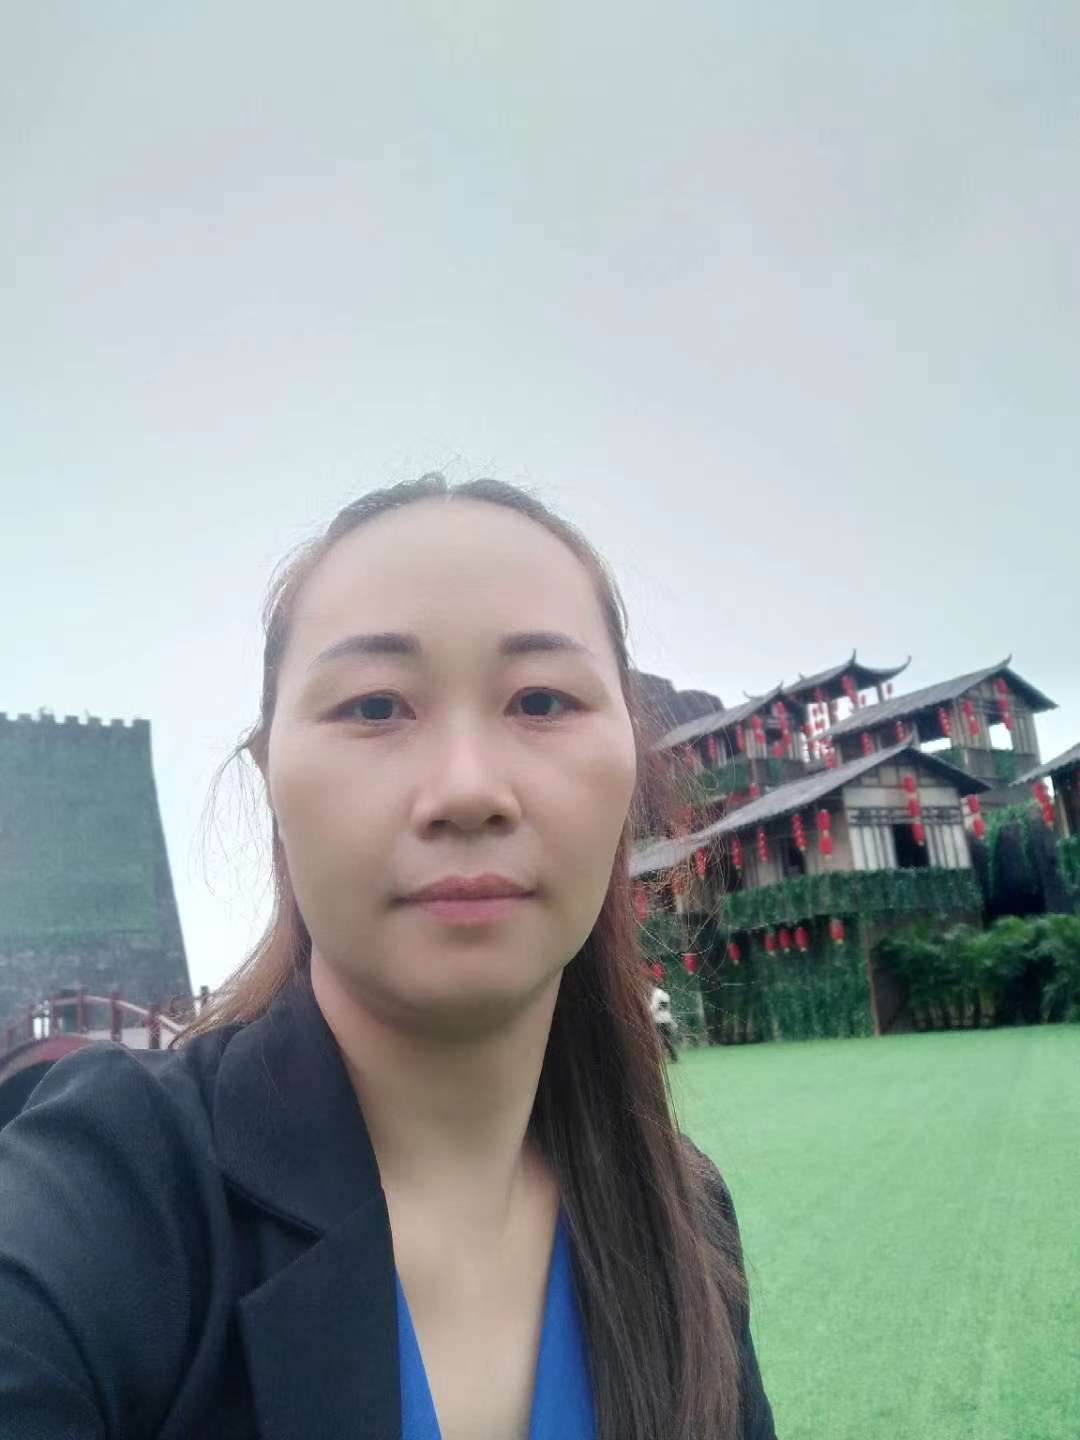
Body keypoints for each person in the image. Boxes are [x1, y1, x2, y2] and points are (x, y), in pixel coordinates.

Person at [0, 474, 777, 1440]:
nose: (467, 790)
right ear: (269, 776)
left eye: (541, 699)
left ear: (631, 763)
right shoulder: (118, 1198)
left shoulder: (683, 1216)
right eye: (374, 707)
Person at [650, 984, 680, 1062]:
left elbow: (654, 1007)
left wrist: (646, 1012)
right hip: (667, 1019)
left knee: (662, 1040)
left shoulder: (656, 993)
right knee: (666, 1039)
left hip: (659, 1020)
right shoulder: (665, 994)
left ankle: (668, 1057)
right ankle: (672, 1056)